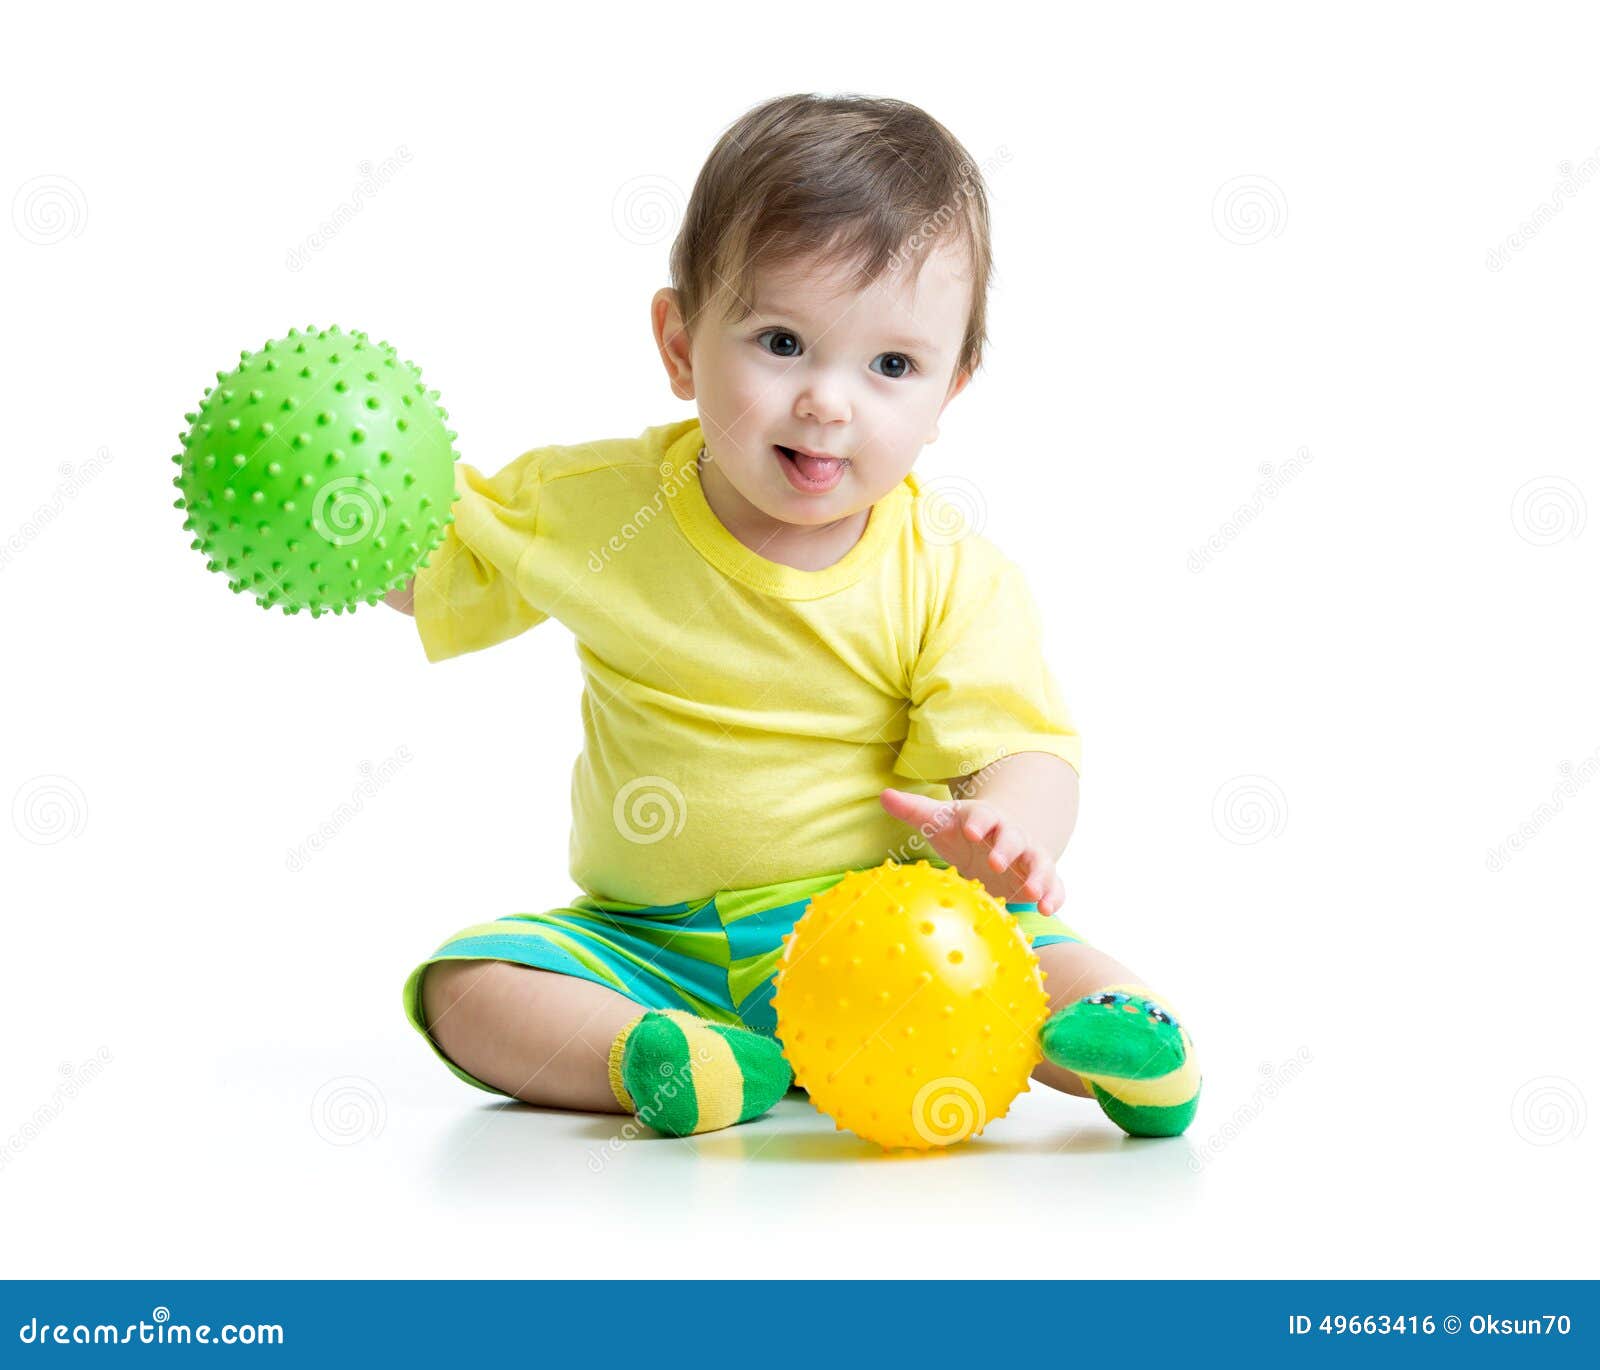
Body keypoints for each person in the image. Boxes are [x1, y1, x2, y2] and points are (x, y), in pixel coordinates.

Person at [389, 92, 1200, 1141]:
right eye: (780, 341)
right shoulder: (599, 505)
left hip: (889, 940)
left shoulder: (947, 573)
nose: (828, 400)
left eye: (891, 366)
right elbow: (448, 561)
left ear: (949, 389)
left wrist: (1011, 830)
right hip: (646, 944)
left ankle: (1129, 1047)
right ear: (680, 344)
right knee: (469, 982)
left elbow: (1024, 746)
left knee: (1029, 954)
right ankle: (680, 1057)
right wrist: (356, 525)